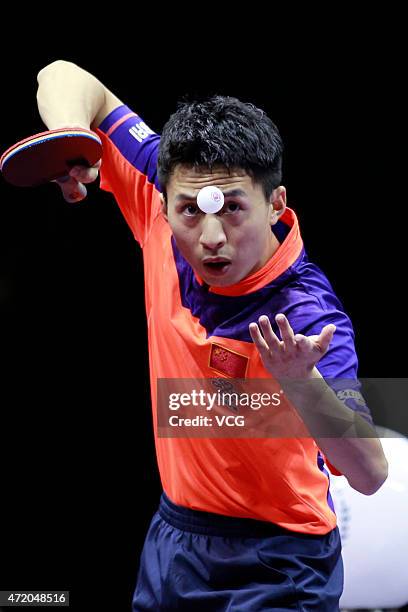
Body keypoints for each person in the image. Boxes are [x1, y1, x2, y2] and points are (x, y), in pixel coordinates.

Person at [35, 60, 388, 611]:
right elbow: (63, 74)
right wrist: (70, 142)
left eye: (236, 210)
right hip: (175, 540)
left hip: (280, 561)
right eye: (189, 214)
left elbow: (370, 474)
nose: (212, 238)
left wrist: (302, 382)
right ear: (166, 201)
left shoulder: (307, 315)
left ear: (276, 203)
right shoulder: (172, 190)